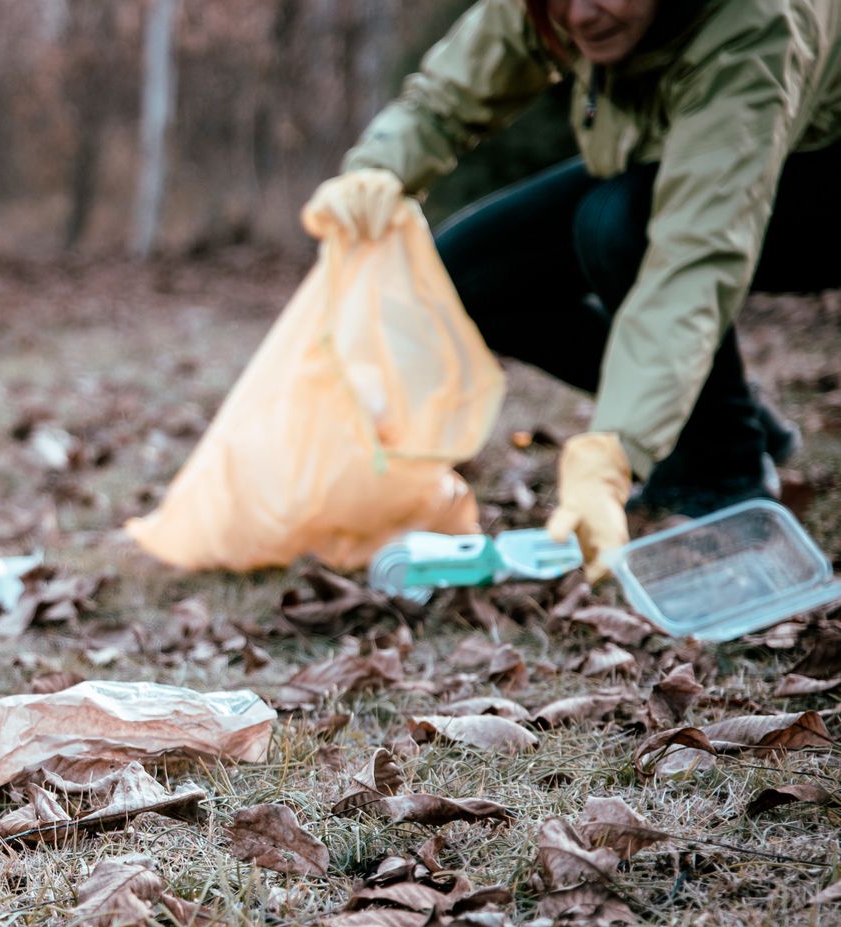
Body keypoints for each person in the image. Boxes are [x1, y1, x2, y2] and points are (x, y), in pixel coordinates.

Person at [304, 0, 841, 578]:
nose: (581, 15)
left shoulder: (757, 20)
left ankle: (724, 467)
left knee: (616, 225)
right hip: (664, 164)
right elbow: (444, 98)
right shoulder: (552, 9)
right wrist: (377, 169)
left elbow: (691, 260)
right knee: (466, 275)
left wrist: (616, 447)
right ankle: (723, 422)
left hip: (814, 182)